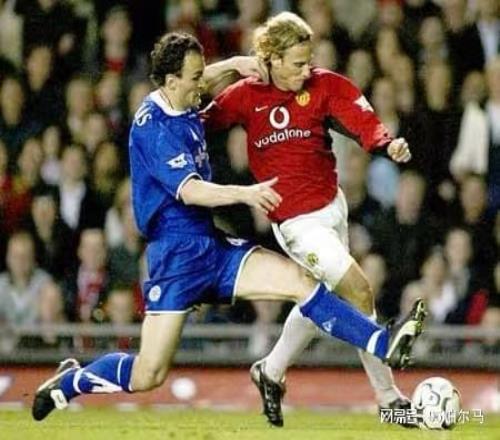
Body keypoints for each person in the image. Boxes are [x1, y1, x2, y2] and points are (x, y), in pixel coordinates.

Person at [32, 32, 426, 423]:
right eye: (195, 78)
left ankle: (383, 343)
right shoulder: (154, 128)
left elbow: (203, 79)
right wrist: (246, 194)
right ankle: (71, 381)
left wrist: (236, 64)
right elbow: (191, 191)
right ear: (172, 81)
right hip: (175, 257)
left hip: (212, 246)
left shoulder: (181, 96)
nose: (203, 86)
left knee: (302, 283)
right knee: (148, 374)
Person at [202, 12, 423, 427]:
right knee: (359, 291)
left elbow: (363, 121)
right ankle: (389, 398)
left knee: (319, 297)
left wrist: (387, 144)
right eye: (297, 63)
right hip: (296, 223)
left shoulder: (325, 85)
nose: (306, 71)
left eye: (309, 61)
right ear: (271, 58)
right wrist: (229, 65)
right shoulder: (245, 95)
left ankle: (269, 370)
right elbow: (195, 113)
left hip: (332, 206)